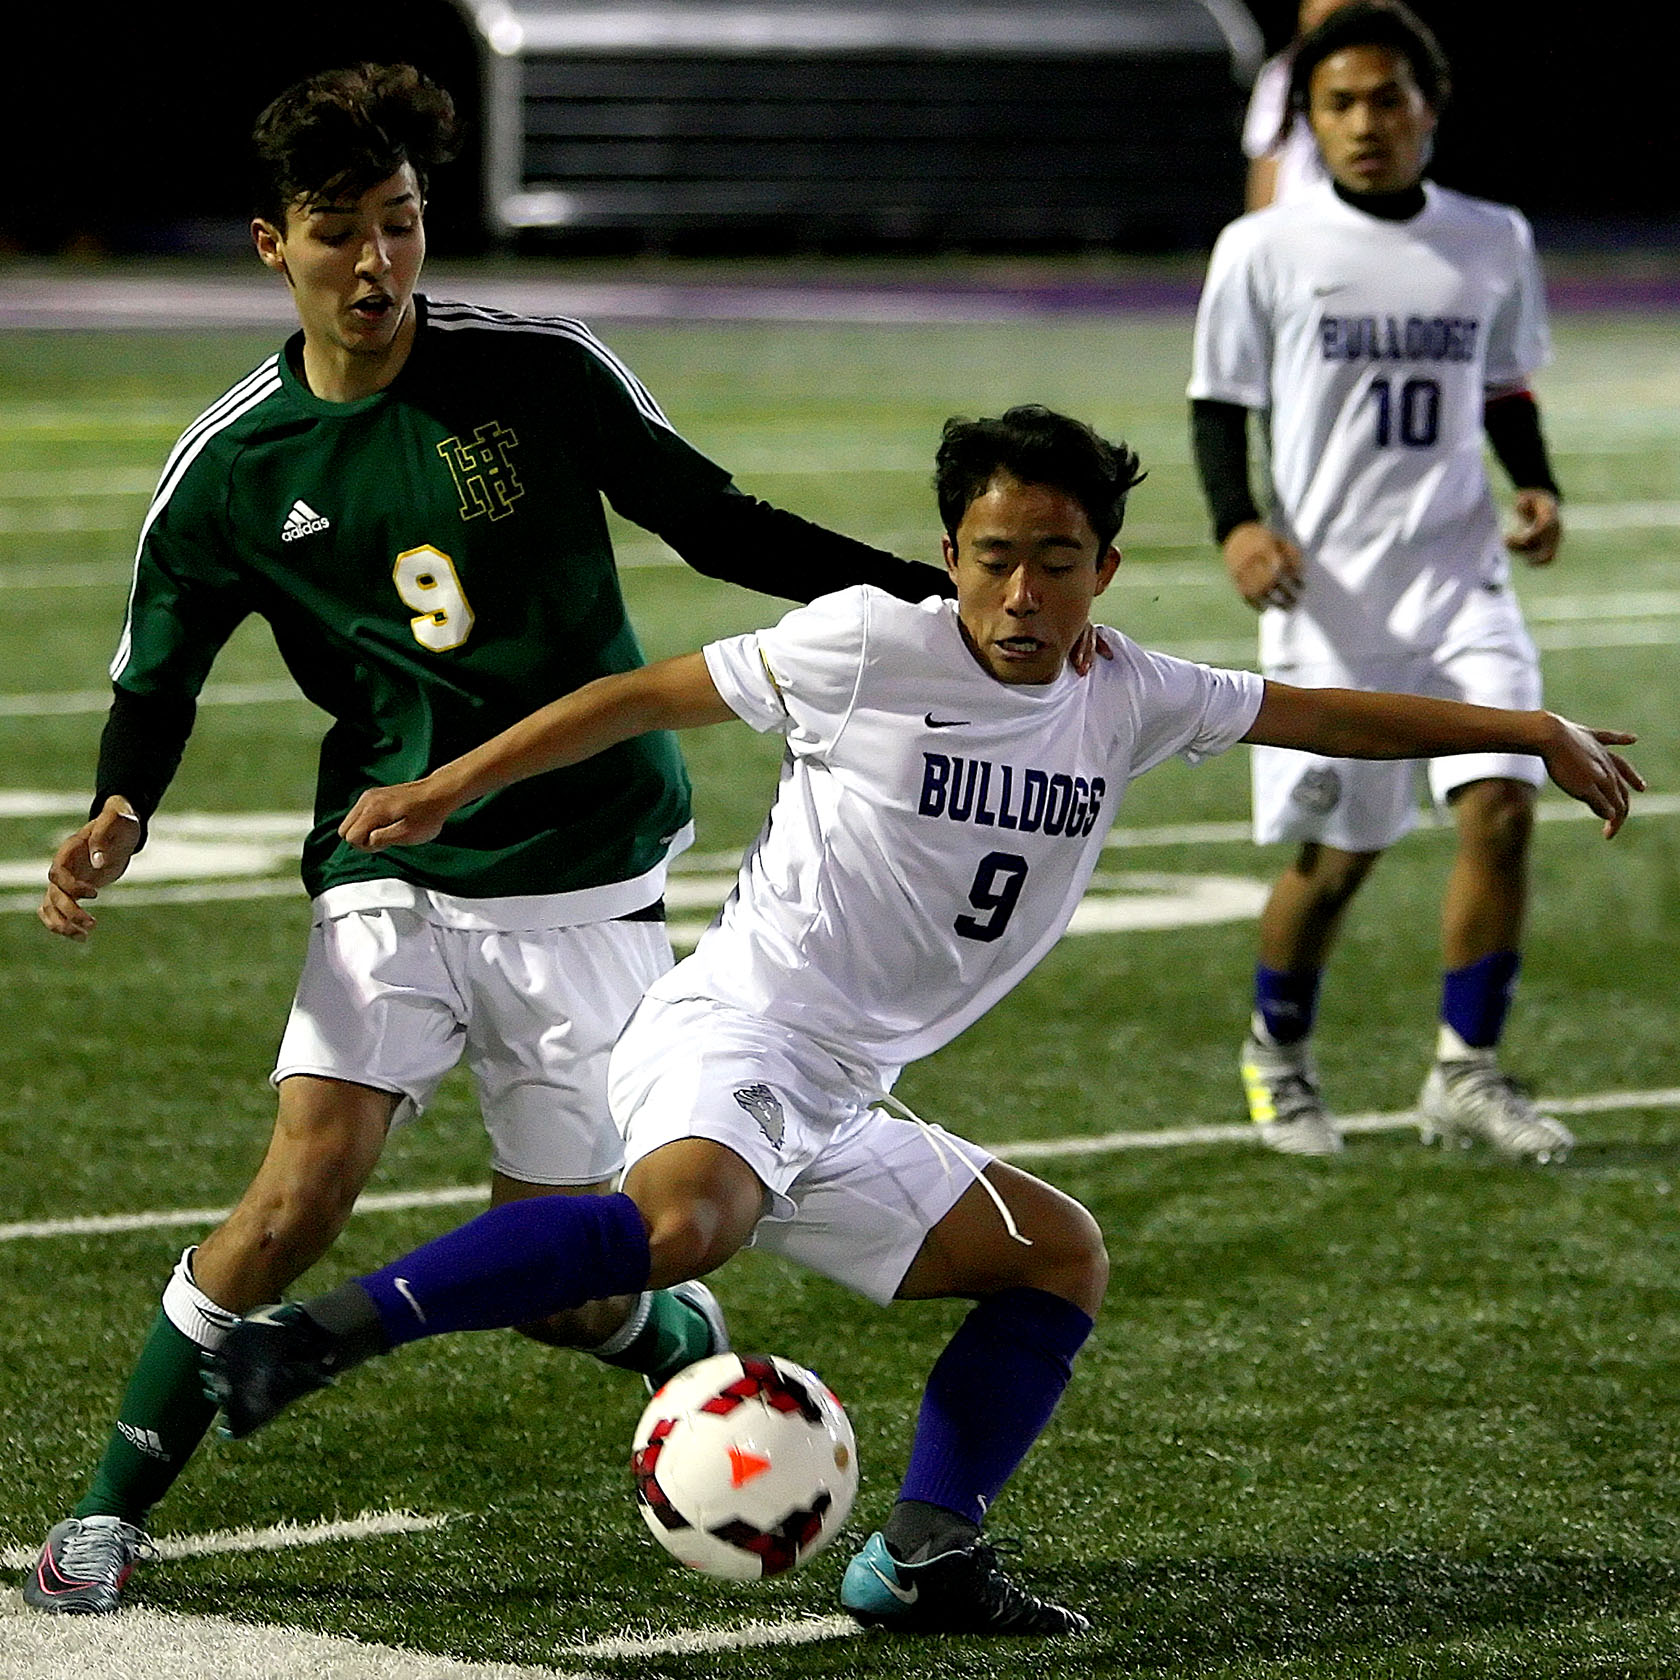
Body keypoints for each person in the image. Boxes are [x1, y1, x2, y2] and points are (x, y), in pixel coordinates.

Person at [202, 405, 1637, 1637]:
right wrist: (456, 786)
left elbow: (1317, 712)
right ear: (951, 558)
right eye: (993, 559)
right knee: (687, 1224)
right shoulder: (868, 646)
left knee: (1055, 1259)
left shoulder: (1132, 693)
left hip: (841, 1087)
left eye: (1055, 563)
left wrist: (1527, 730)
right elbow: (644, 694)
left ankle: (929, 1555)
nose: (1021, 594)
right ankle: (327, 1332)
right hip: (735, 1031)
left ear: (1104, 572)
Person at [24, 62, 963, 1617]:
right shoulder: (236, 465)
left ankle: (682, 1352)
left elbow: (713, 521)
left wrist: (920, 606)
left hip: (588, 867)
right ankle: (109, 1513)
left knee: (574, 1283)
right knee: (299, 1189)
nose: (378, 265)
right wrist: (122, 810)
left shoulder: (537, 371)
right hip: (388, 855)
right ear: (272, 245)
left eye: (400, 226)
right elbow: (158, 678)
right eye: (340, 235)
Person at [1187, 1, 1578, 1158]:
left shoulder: (1491, 236)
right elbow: (1221, 404)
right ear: (1310, 119)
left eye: (1388, 100)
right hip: (1330, 604)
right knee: (1339, 859)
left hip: (1463, 585)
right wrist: (1238, 528)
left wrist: (1537, 485)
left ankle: (1466, 1071)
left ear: (1430, 107)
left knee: (1505, 804)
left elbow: (1504, 384)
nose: (1367, 123)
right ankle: (1278, 1052)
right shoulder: (1265, 246)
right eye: (1339, 104)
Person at [1241, 0, 1356, 211]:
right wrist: (1259, 226)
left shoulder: (1392, 74)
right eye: (1311, 11)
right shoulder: (1279, 75)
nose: (1316, 22)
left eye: (1331, 15)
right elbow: (1266, 157)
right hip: (1292, 218)